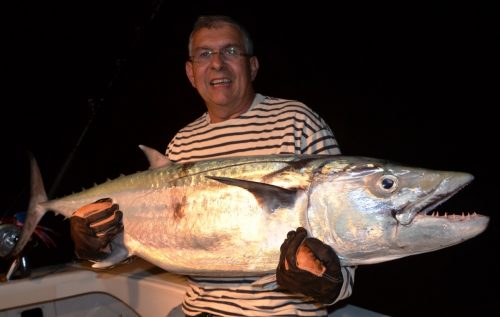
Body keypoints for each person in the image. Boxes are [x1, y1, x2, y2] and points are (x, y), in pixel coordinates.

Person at [70, 15, 355, 317]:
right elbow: (161, 239)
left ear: (253, 66)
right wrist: (102, 245)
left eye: (231, 51)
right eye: (205, 54)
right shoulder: (182, 143)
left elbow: (345, 232)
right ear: (191, 73)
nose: (217, 63)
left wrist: (331, 282)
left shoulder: (298, 121)